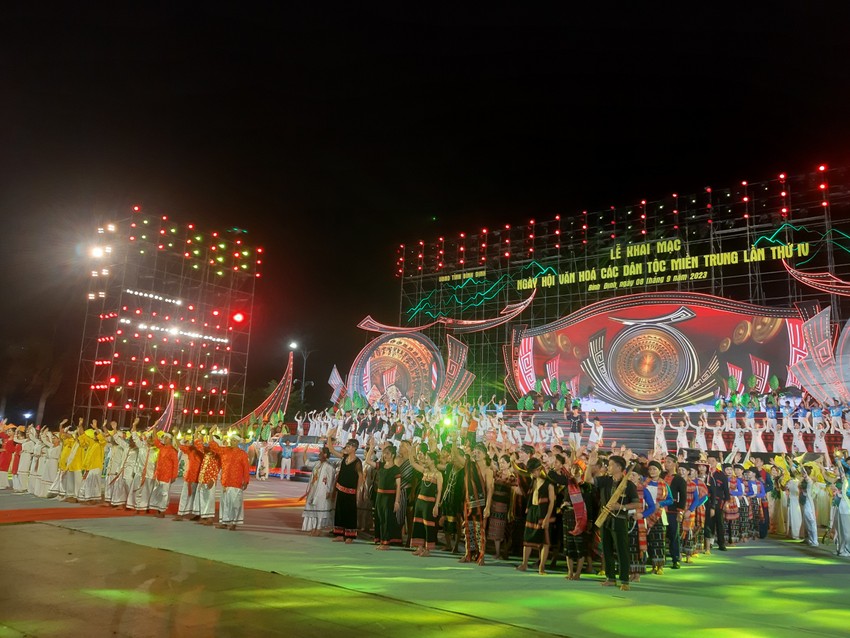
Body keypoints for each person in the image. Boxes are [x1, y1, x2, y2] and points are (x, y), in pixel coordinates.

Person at [591, 451, 640, 591]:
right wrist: (590, 465)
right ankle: (610, 578)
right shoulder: (605, 480)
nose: (608, 467)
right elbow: (588, 480)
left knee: (621, 550)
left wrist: (622, 506)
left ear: (619, 467)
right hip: (604, 519)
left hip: (619, 520)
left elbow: (636, 504)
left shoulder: (629, 485)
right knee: (606, 549)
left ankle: (624, 580)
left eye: (611, 465)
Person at [516, 457, 555, 574]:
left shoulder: (549, 484)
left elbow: (552, 502)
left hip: (543, 513)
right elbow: (519, 474)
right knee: (527, 538)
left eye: (533, 471)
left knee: (544, 541)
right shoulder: (533, 482)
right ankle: (524, 564)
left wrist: (547, 518)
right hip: (532, 511)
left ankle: (541, 567)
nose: (532, 474)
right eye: (531, 472)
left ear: (539, 469)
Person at [326, 429, 364, 543]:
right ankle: (339, 534)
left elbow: (360, 478)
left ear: (354, 448)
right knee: (339, 512)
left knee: (350, 513)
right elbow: (332, 450)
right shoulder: (344, 457)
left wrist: (358, 493)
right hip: (341, 489)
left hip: (351, 491)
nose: (346, 448)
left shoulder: (357, 462)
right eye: (346, 446)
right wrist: (329, 437)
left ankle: (350, 536)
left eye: (348, 447)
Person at [210, 431, 251, 530]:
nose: (232, 442)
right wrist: (211, 433)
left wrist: (246, 481)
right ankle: (224, 522)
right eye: (231, 440)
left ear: (238, 442)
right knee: (225, 503)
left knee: (235, 503)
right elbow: (214, 447)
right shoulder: (225, 450)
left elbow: (246, 468)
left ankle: (234, 523)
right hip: (225, 481)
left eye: (234, 441)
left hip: (236, 482)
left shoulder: (242, 454)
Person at [302, 446, 336, 535]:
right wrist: (304, 452)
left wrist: (329, 491)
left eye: (321, 453)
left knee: (320, 508)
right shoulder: (317, 463)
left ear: (325, 454)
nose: (319, 454)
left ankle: (319, 528)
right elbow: (307, 463)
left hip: (322, 490)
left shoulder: (329, 466)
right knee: (313, 508)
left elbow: (331, 480)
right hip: (314, 489)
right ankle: (313, 528)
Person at [149, 431, 179, 517]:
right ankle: (158, 509)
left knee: (164, 493)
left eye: (166, 438)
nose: (164, 439)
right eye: (164, 438)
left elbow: (175, 464)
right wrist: (155, 428)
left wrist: (174, 476)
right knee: (157, 492)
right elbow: (156, 441)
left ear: (170, 440)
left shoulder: (173, 451)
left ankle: (162, 511)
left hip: (167, 475)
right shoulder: (162, 448)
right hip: (159, 474)